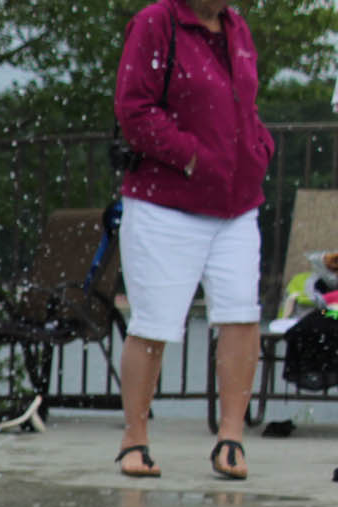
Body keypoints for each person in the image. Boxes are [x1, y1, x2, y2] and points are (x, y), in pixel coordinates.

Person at [113, 0, 273, 481]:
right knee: (154, 324)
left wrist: (259, 147)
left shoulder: (236, 26)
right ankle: (134, 438)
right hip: (167, 204)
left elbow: (245, 105)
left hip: (237, 204)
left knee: (241, 314)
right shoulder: (156, 22)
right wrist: (191, 158)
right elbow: (134, 108)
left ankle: (231, 437)